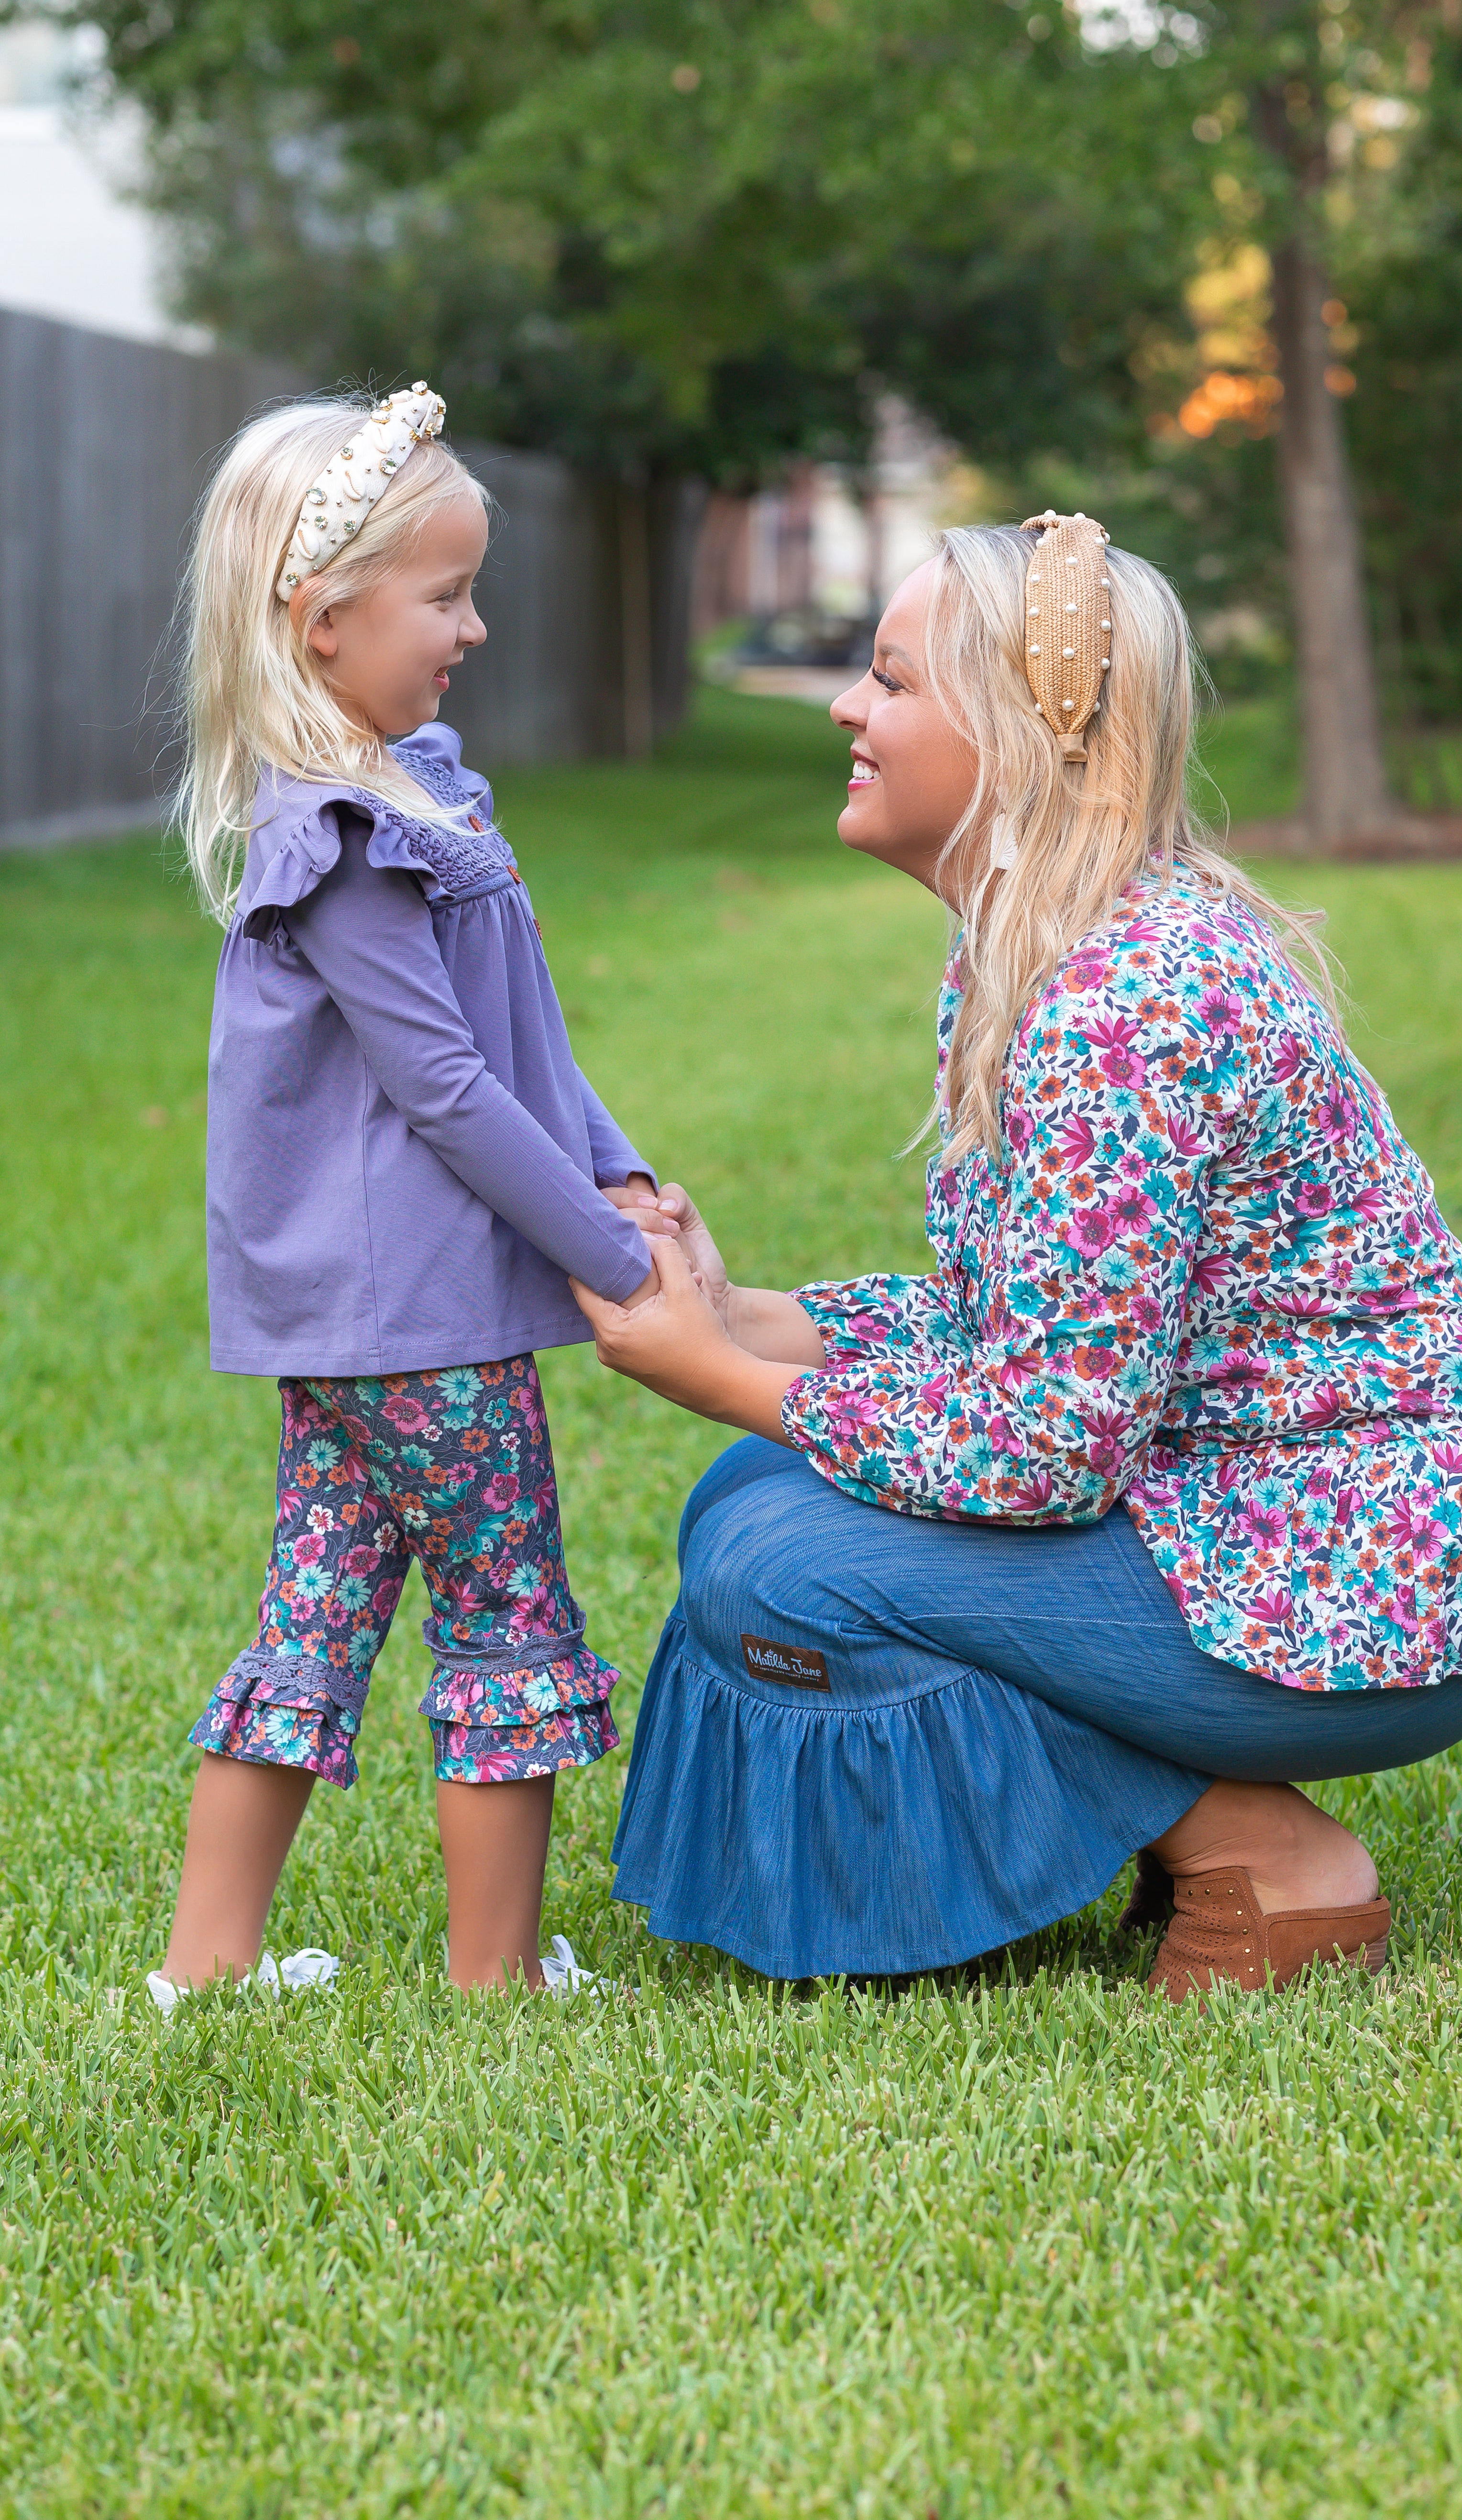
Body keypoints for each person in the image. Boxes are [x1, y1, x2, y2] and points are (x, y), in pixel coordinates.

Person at [574, 512, 1462, 1999]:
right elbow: (1017, 1327)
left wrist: (715, 1374)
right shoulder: (1039, 954)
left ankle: (1261, 1853)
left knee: (787, 1564)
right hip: (1255, 1505)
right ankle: (1179, 1822)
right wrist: (745, 1311)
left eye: (890, 680)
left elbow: (1046, 1453)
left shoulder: (1120, 1004)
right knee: (753, 1503)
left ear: (1015, 739)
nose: (845, 707)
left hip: (1369, 1563)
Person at [149, 384, 681, 2005]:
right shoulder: (347, 839)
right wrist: (605, 1251)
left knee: (315, 1605)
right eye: (443, 597)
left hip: (376, 1326)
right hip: (424, 1321)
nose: (475, 626)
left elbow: (523, 1042)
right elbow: (448, 1090)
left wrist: (621, 1163)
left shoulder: (412, 793)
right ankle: (496, 1978)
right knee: (510, 1606)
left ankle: (208, 1967)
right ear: (320, 623)